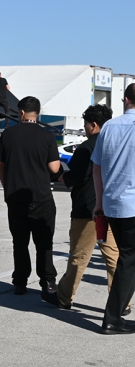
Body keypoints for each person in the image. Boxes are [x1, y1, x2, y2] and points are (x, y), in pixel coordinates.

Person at [56, 104, 129, 313]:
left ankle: (64, 297)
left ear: (93, 125)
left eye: (86, 124)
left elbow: (78, 176)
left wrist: (62, 176)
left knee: (79, 256)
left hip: (88, 209)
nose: (85, 128)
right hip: (112, 207)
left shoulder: (87, 147)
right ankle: (122, 301)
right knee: (113, 256)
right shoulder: (116, 142)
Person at [0, 96, 60, 301]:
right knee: (44, 243)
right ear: (37, 113)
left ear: (21, 113)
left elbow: (0, 165)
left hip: (15, 198)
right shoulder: (47, 136)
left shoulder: (9, 134)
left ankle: (20, 281)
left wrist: (8, 188)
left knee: (20, 242)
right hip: (41, 197)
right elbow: (55, 168)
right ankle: (47, 281)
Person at [92, 83, 135, 334]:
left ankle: (116, 314)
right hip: (131, 204)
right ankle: (112, 317)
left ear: (125, 99)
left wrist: (99, 202)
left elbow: (96, 167)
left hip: (112, 203)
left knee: (127, 259)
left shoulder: (109, 127)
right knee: (128, 260)